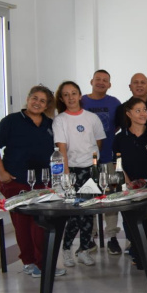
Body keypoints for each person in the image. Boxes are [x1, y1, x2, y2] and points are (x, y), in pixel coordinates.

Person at [0, 85, 65, 278]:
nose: (37, 103)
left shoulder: (49, 124)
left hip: (42, 182)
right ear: (28, 99)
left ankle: (43, 262)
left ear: (47, 105)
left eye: (42, 101)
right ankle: (30, 262)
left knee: (41, 223)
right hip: (16, 180)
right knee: (22, 222)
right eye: (35, 98)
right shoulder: (11, 121)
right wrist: (1, 172)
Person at [53, 81, 106, 268]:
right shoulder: (60, 120)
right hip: (72, 171)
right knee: (75, 214)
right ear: (61, 99)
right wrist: (66, 174)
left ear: (80, 95)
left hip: (91, 170)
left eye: (74, 93)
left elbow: (98, 142)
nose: (70, 97)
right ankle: (67, 248)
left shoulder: (92, 118)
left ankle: (84, 249)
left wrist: (91, 162)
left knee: (88, 212)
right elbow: (61, 148)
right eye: (66, 94)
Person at [112, 97, 147, 267]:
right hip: (130, 188)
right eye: (138, 110)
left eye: (145, 110)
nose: (143, 114)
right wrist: (129, 185)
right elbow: (118, 164)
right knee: (131, 222)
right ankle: (138, 253)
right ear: (129, 114)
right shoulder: (120, 138)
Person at [81, 69, 123, 255]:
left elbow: (119, 124)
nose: (101, 82)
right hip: (85, 160)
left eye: (105, 80)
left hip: (108, 157)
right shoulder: (82, 101)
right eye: (98, 79)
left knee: (111, 198)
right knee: (88, 198)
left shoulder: (114, 103)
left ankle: (112, 237)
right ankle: (90, 237)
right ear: (91, 81)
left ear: (109, 84)